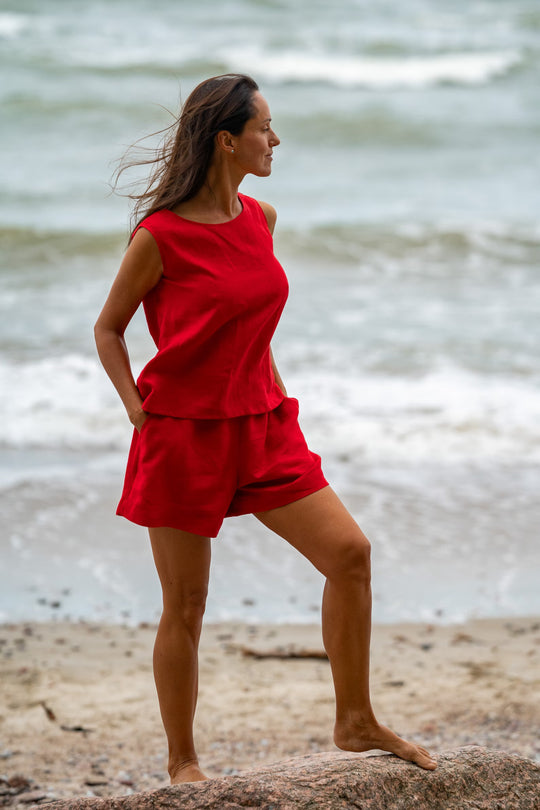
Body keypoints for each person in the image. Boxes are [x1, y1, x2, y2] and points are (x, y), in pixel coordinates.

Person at [94, 73, 437, 784]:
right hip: (184, 435)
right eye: (264, 128)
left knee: (350, 554)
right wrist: (137, 410)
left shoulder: (262, 219)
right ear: (227, 140)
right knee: (185, 606)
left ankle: (355, 719)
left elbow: (251, 321)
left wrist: (275, 390)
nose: (275, 140)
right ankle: (183, 762)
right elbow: (108, 329)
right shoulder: (159, 237)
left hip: (264, 426)